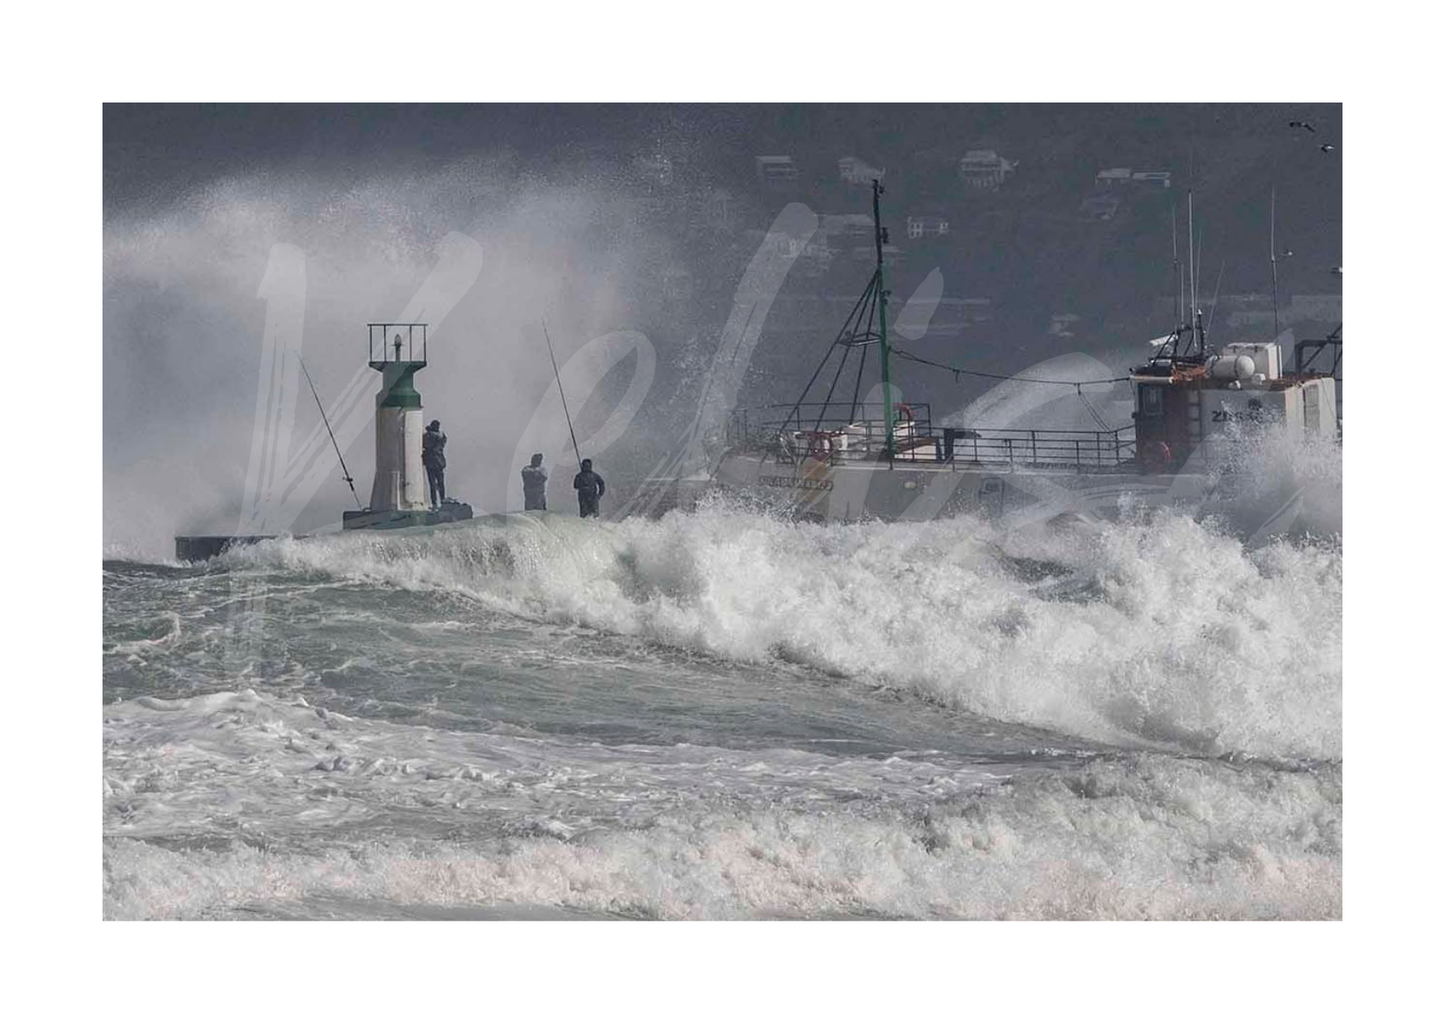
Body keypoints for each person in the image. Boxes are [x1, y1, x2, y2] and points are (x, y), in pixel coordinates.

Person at [422, 419, 447, 507]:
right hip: (439, 462)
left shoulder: (428, 435)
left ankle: (434, 502)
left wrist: (428, 432)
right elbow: (442, 440)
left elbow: (426, 444)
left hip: (430, 462)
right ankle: (443, 500)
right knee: (441, 483)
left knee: (432, 484)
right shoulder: (441, 435)